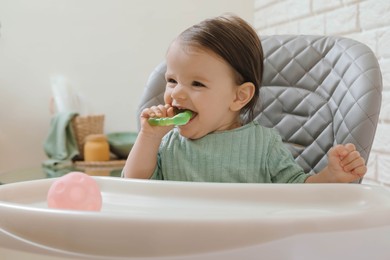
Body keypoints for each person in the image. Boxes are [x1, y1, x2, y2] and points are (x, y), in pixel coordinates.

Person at [123, 14, 366, 183]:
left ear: (239, 96)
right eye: (172, 80)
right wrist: (148, 138)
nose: (175, 93)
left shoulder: (264, 145)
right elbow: (135, 186)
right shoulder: (167, 143)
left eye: (197, 83)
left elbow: (297, 193)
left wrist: (330, 177)